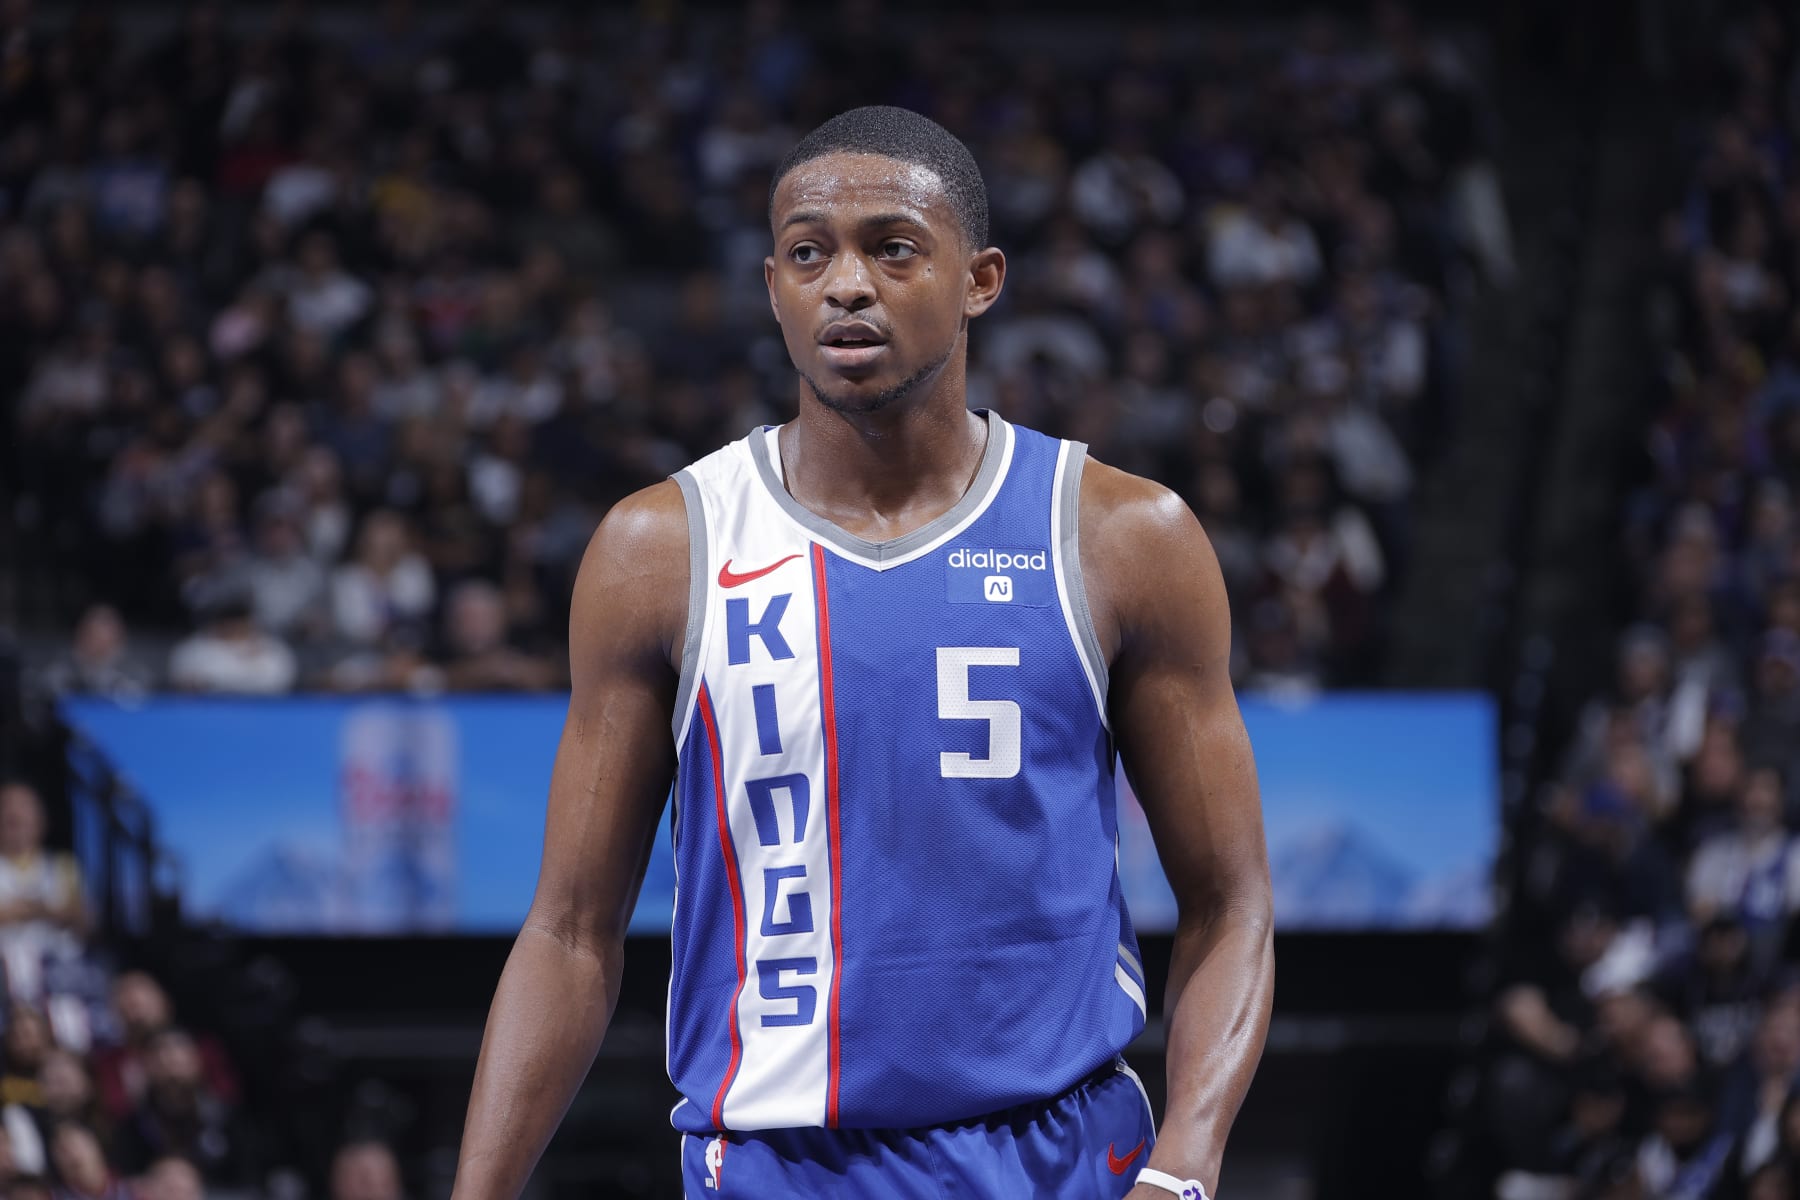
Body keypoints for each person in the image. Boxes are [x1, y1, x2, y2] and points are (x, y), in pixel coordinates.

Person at [453, 107, 1272, 1199]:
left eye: (892, 247)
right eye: (808, 253)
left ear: (980, 279)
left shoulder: (1125, 538)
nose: (845, 284)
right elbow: (568, 932)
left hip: (1065, 1160)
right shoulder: (659, 552)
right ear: (772, 286)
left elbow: (1231, 902)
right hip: (774, 1168)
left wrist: (1185, 1166)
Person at [0, 785, 88, 1006]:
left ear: (41, 820)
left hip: (58, 976)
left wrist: (32, 910)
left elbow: (84, 919)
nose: (15, 815)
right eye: (7, 809)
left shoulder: (63, 867)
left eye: (24, 809)